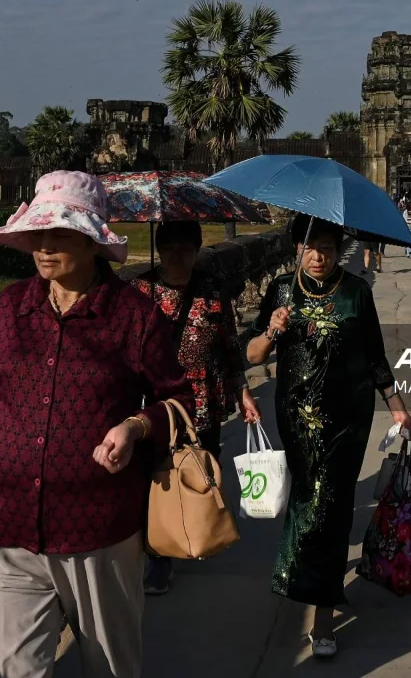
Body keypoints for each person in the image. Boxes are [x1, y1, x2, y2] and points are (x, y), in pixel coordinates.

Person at [0, 171, 194, 678]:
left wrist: (136, 427)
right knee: (17, 669)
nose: (45, 248)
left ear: (93, 241)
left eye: (61, 235)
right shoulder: (8, 310)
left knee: (110, 667)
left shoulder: (134, 317)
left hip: (99, 529)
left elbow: (180, 399)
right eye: (38, 235)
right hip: (6, 526)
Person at [245, 214, 411, 658]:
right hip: (297, 416)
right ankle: (307, 575)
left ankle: (321, 614)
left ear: (339, 250)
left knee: (331, 504)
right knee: (308, 498)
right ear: (296, 247)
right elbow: (252, 353)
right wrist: (272, 329)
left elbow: (375, 356)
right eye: (310, 246)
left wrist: (396, 405)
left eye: (327, 247)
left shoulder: (357, 292)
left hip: (348, 417)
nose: (318, 256)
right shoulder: (282, 289)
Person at [130, 221, 262, 594]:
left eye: (186, 248)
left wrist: (243, 392)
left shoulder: (212, 289)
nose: (177, 256)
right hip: (155, 402)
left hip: (205, 397)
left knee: (201, 470)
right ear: (159, 248)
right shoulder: (141, 290)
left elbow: (230, 346)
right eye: (169, 247)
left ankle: (197, 529)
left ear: (198, 249)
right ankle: (159, 554)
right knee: (158, 477)